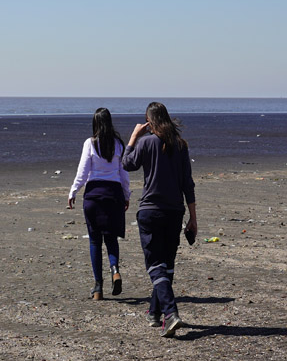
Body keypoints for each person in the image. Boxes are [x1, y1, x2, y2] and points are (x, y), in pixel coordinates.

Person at [123, 102, 197, 338]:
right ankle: (155, 313)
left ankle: (170, 313)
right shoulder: (180, 146)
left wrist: (133, 136)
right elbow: (188, 184)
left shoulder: (146, 142)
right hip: (174, 212)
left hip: (151, 211)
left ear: (150, 122)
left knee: (156, 266)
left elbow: (127, 164)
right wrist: (193, 218)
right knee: (167, 265)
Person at [68, 108, 132, 300]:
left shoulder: (90, 143)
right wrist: (126, 194)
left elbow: (83, 171)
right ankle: (115, 270)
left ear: (95, 124)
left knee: (95, 240)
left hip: (94, 196)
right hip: (113, 195)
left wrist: (73, 191)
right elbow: (124, 174)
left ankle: (98, 288)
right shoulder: (118, 145)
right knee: (111, 238)